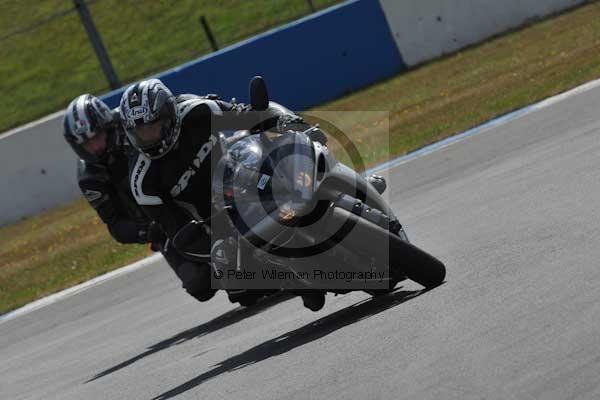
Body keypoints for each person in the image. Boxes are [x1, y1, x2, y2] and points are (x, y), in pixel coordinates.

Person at [62, 94, 213, 302]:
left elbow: (170, 109)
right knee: (199, 284)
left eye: (97, 137)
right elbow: (116, 227)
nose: (95, 147)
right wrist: (149, 230)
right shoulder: (90, 178)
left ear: (108, 125)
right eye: (88, 144)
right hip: (159, 222)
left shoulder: (132, 123)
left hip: (183, 187)